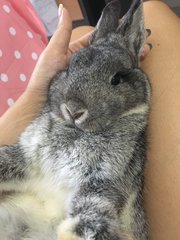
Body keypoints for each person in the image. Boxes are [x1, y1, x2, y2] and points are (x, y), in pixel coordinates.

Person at [0, 1, 180, 239]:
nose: (74, 109)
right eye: (70, 71)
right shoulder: (51, 116)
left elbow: (102, 189)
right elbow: (23, 157)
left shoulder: (125, 129)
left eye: (114, 80)